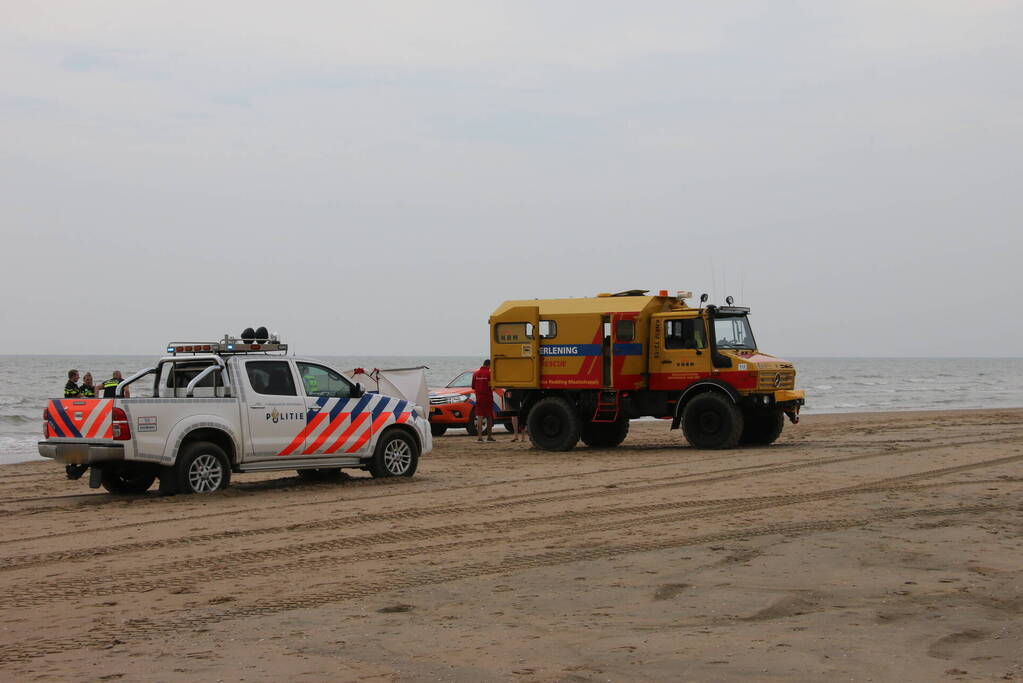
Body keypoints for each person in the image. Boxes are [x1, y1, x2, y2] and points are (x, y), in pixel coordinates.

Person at [472, 359, 496, 442]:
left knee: (479, 417)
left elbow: (473, 386)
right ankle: (489, 436)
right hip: (488, 397)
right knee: (489, 416)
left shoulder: (475, 374)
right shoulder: (490, 374)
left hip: (479, 398)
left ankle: (480, 437)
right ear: (489, 365)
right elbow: (492, 387)